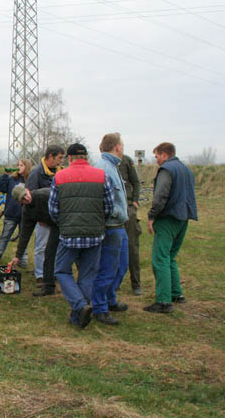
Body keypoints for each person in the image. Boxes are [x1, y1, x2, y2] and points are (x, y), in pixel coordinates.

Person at [49, 143, 114, 329]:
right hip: (95, 234)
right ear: (86, 156)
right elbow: (109, 206)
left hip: (69, 234)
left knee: (61, 271)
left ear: (69, 158)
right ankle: (78, 316)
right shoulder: (102, 176)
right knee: (87, 274)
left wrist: (63, 223)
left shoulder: (59, 177)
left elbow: (53, 209)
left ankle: (79, 306)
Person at [144, 142, 198, 314]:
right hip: (183, 218)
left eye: (157, 156)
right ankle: (176, 293)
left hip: (168, 219)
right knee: (170, 257)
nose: (156, 160)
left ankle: (163, 301)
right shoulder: (186, 170)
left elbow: (160, 196)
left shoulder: (166, 170)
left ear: (164, 154)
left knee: (160, 258)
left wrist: (152, 215)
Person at [91, 133, 130, 326]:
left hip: (119, 227)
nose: (123, 148)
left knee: (121, 265)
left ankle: (110, 299)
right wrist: (115, 214)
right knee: (107, 269)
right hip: (111, 227)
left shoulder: (113, 167)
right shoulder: (103, 168)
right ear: (117, 147)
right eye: (122, 144)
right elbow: (100, 200)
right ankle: (100, 308)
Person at [8, 185, 59, 296]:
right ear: (19, 202)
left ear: (28, 190)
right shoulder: (27, 211)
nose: (26, 199)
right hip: (55, 226)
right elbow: (25, 234)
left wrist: (48, 220)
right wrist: (18, 256)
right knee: (49, 253)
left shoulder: (44, 195)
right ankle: (48, 287)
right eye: (22, 199)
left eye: (25, 195)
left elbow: (62, 207)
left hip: (65, 222)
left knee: (72, 252)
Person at [26, 145, 65, 286]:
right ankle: (40, 274)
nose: (61, 161)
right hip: (42, 218)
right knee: (41, 247)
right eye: (59, 158)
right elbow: (30, 196)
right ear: (50, 157)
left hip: (57, 217)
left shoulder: (61, 172)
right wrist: (38, 216)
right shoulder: (36, 173)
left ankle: (52, 272)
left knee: (56, 247)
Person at [0, 159, 32, 265]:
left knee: (23, 238)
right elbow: (0, 187)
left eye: (21, 165)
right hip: (11, 214)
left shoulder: (30, 180)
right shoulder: (12, 179)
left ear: (27, 167)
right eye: (18, 165)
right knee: (5, 237)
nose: (19, 167)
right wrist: (5, 175)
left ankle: (22, 260)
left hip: (25, 215)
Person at [118, 154, 143, 296]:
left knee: (132, 247)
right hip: (113, 210)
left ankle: (136, 283)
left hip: (128, 208)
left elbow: (136, 182)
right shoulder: (103, 163)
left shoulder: (126, 160)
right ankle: (114, 282)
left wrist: (135, 202)